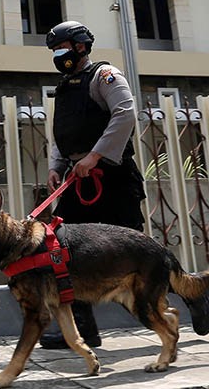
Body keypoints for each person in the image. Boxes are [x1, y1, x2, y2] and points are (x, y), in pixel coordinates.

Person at [39, 20, 147, 349]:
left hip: (111, 179)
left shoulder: (105, 76)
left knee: (138, 255)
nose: (59, 55)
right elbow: (63, 132)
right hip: (78, 180)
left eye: (64, 48)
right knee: (64, 250)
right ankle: (84, 329)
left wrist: (96, 156)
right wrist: (58, 165)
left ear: (81, 46)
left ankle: (193, 295)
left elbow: (126, 114)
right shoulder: (65, 86)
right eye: (55, 50)